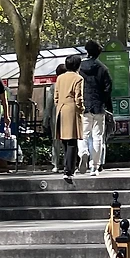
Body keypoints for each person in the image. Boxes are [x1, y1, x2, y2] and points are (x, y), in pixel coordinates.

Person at [78, 39, 113, 175]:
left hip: (84, 106)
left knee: (83, 134)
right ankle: (95, 166)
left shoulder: (79, 68)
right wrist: (103, 101)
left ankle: (83, 152)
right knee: (97, 136)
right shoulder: (103, 68)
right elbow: (108, 88)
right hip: (98, 107)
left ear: (87, 51)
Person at [54, 54, 83, 182]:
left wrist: (59, 105)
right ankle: (69, 170)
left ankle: (67, 167)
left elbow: (56, 96)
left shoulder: (60, 78)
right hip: (72, 110)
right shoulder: (78, 78)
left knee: (65, 141)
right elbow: (79, 97)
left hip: (60, 109)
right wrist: (81, 109)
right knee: (72, 142)